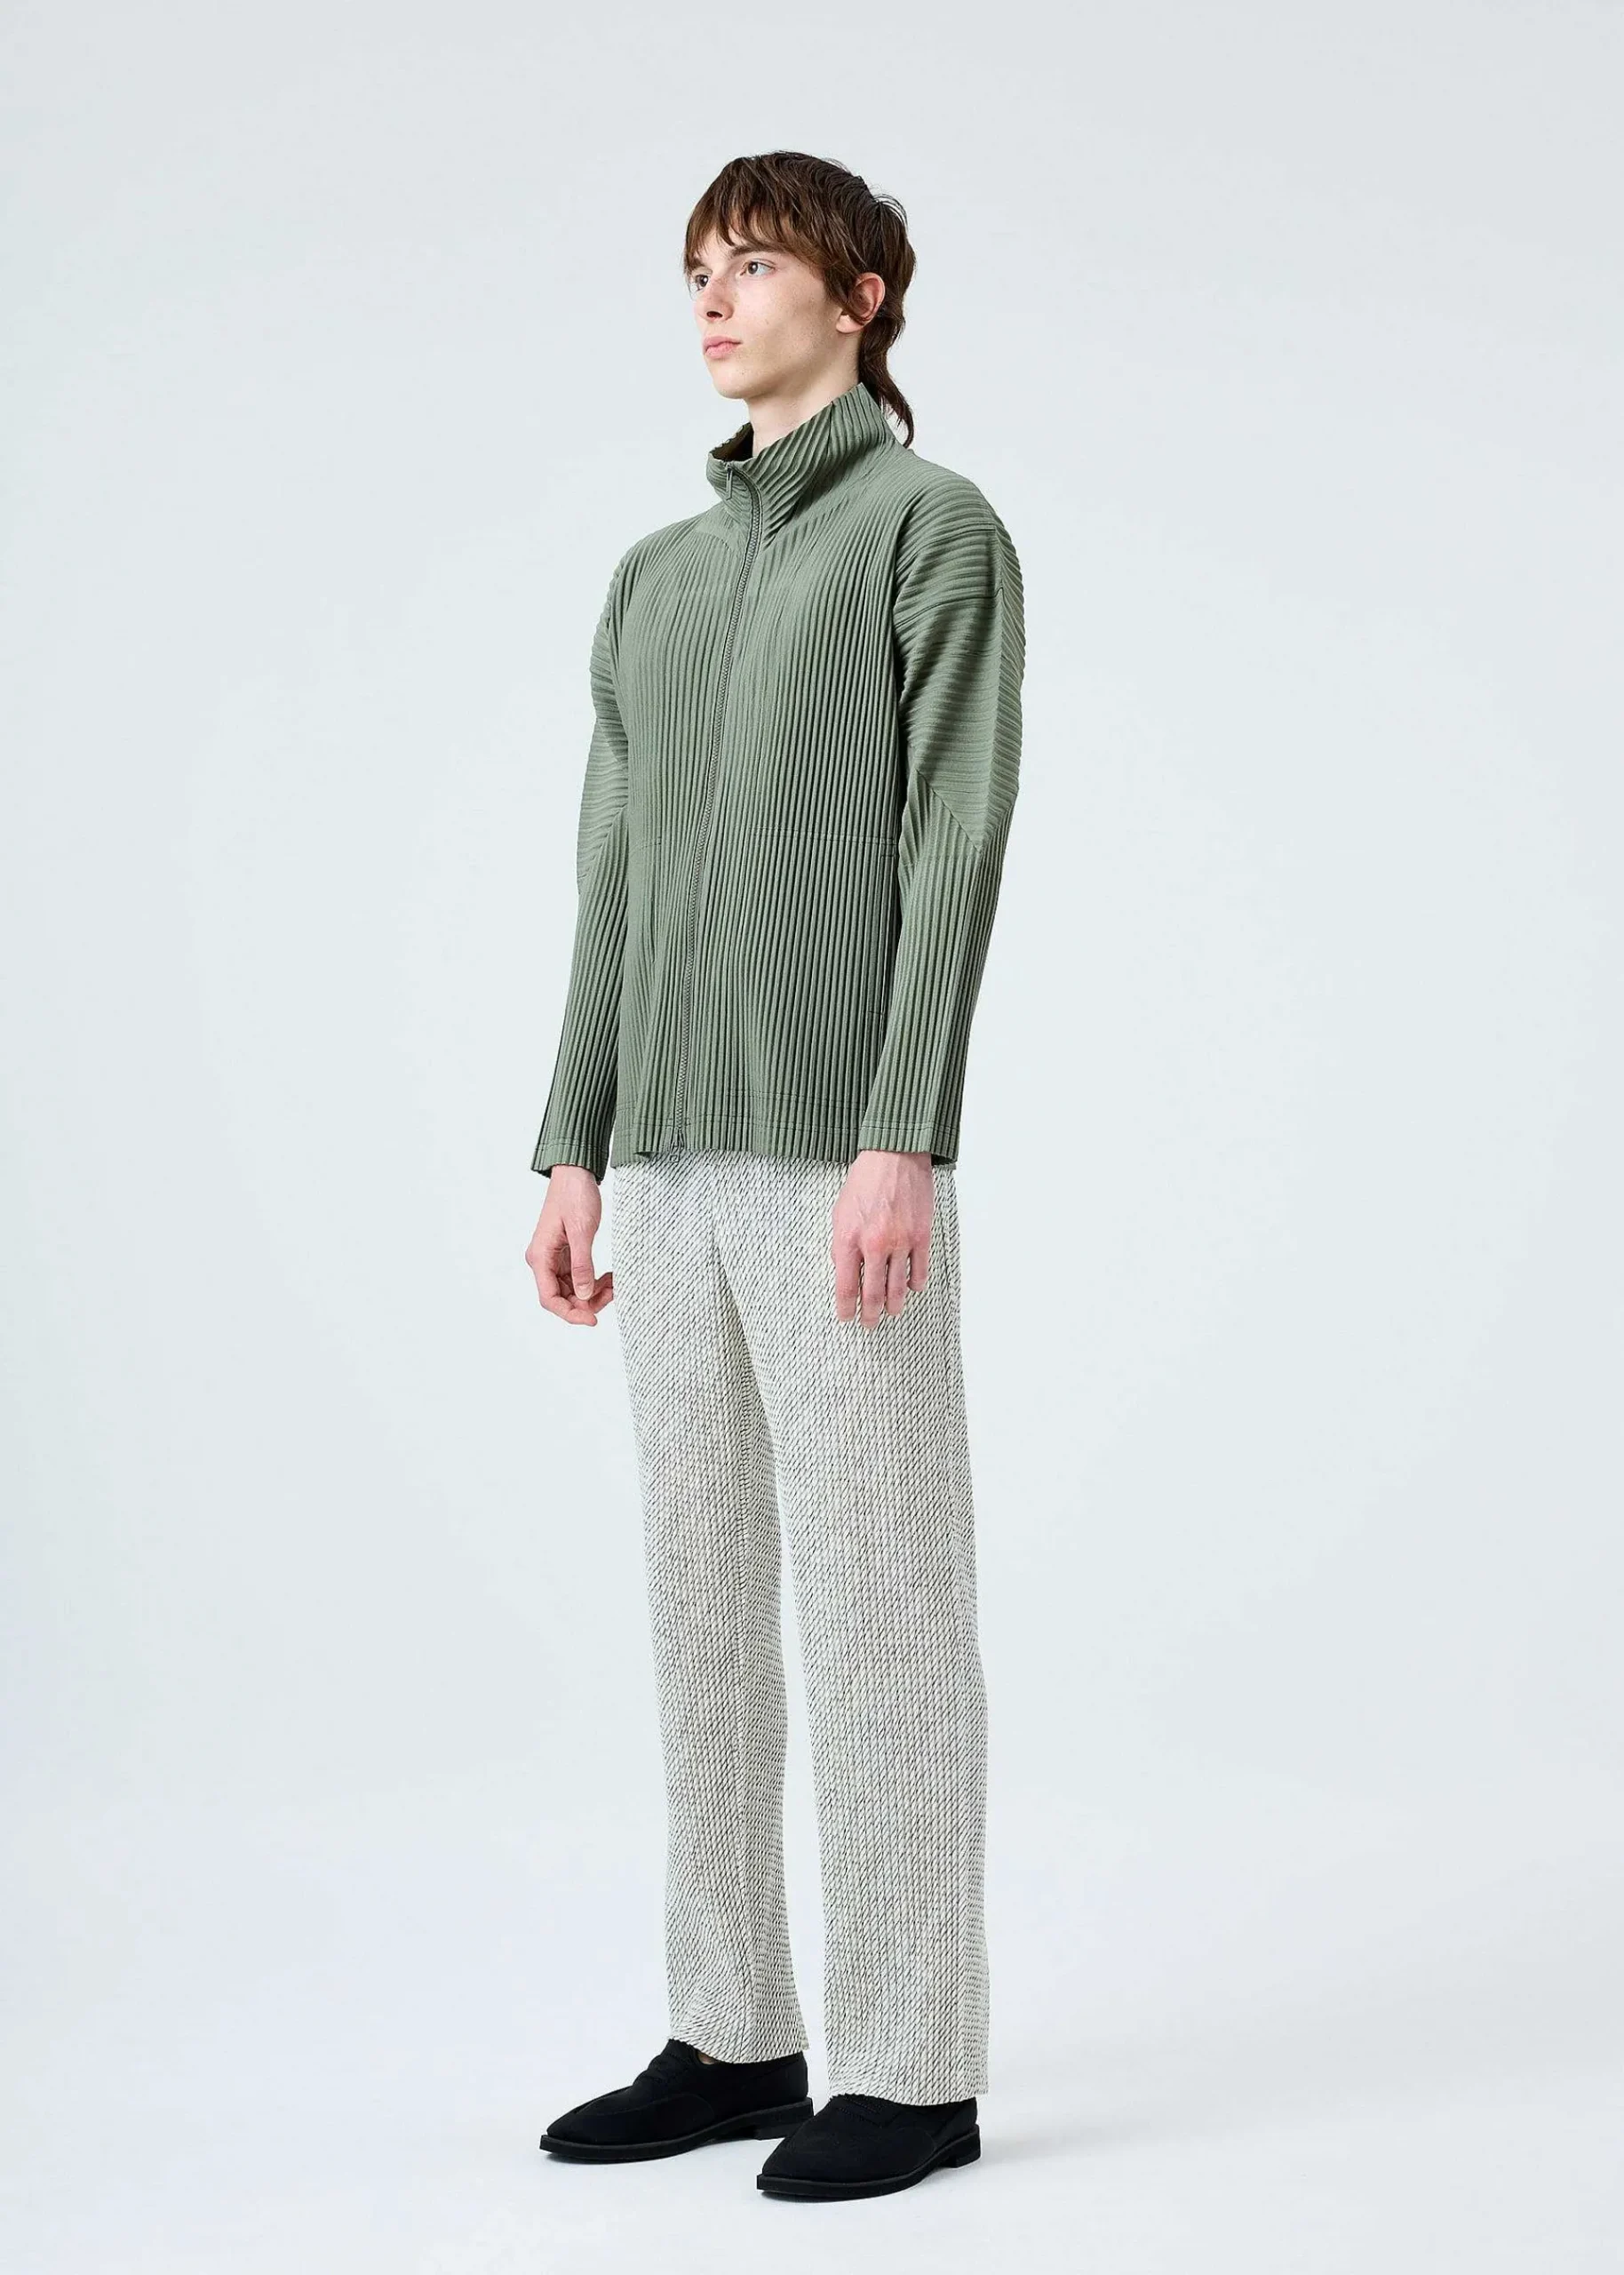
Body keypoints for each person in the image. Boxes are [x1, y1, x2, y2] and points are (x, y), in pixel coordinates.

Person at [524, 148, 1025, 2203]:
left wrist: (903, 1128)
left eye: (752, 263)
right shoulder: (651, 576)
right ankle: (732, 2028)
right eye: (696, 271)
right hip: (663, 1158)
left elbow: (950, 842)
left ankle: (908, 2064)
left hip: (838, 1153)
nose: (714, 299)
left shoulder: (929, 528)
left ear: (862, 293)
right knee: (701, 1606)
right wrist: (570, 1137)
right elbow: (612, 870)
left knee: (882, 1602)